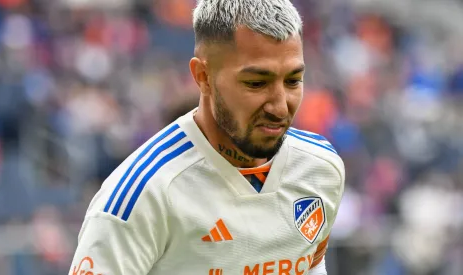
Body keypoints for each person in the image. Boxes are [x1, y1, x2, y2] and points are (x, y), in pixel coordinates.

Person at [68, 0, 345, 274]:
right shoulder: (143, 194)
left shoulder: (320, 168)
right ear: (203, 76)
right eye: (256, 83)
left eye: (293, 81)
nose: (280, 106)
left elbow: (311, 264)